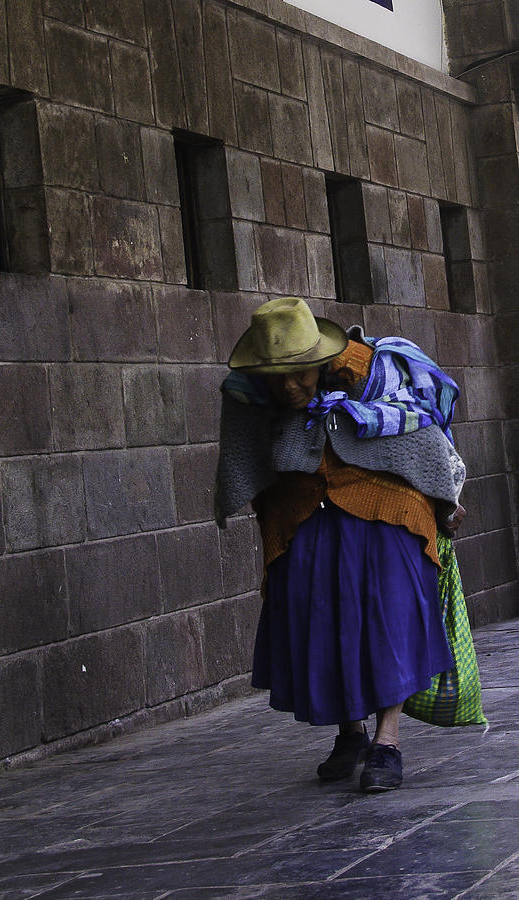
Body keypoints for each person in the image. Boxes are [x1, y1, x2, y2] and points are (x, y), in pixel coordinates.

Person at [215, 297, 467, 793]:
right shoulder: (250, 395)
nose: (290, 387)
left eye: (301, 375)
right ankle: (349, 734)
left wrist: (446, 496)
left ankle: (387, 742)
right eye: (278, 376)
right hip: (305, 514)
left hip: (386, 509)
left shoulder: (377, 373)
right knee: (319, 618)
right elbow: (248, 457)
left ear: (322, 359)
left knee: (387, 618)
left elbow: (420, 430)